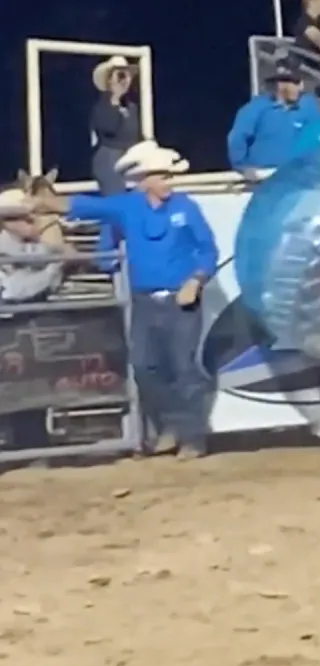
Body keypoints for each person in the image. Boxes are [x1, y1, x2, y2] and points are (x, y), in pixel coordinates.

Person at [34, 140, 218, 460]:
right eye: (162, 176)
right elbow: (83, 206)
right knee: (144, 367)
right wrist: (43, 201)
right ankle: (171, 425)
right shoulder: (128, 207)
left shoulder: (186, 207)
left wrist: (196, 280)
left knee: (183, 366)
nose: (169, 182)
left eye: (169, 176)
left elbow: (208, 249)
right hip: (144, 300)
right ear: (144, 180)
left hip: (181, 301)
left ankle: (192, 437)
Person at [227, 63, 320, 173]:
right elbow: (238, 138)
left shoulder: (309, 106)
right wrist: (242, 167)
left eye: (299, 83)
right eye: (294, 83)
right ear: (280, 84)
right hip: (264, 175)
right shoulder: (256, 108)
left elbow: (318, 138)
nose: (300, 88)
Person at [0, 186, 69, 303]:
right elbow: (12, 291)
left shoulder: (34, 246)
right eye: (24, 218)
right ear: (5, 222)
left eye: (36, 215)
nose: (33, 220)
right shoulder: (5, 247)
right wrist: (55, 267)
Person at [90, 56, 142, 195]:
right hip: (110, 160)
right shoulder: (101, 107)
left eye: (127, 75)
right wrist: (115, 98)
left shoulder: (132, 107)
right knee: (119, 201)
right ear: (109, 80)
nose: (124, 80)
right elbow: (109, 127)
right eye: (119, 75)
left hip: (131, 158)